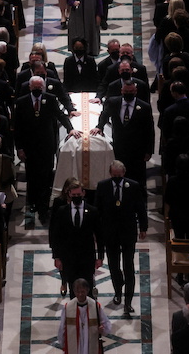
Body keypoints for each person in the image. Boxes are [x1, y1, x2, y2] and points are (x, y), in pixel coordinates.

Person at [14, 75, 81, 224]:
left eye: (40, 87)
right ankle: (33, 204)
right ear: (30, 87)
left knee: (45, 177)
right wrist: (19, 148)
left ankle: (43, 209)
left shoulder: (50, 99)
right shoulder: (22, 102)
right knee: (32, 177)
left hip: (47, 145)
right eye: (35, 87)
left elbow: (59, 115)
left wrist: (70, 129)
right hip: (29, 147)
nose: (37, 90)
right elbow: (17, 128)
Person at [94, 160, 147, 314]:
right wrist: (96, 232)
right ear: (111, 174)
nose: (117, 178)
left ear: (124, 173)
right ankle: (118, 290)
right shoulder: (103, 186)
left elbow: (140, 208)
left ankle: (128, 301)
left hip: (128, 232)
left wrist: (143, 227)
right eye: (114, 175)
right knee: (114, 265)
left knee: (128, 266)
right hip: (110, 233)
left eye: (120, 175)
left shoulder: (133, 186)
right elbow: (97, 210)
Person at [91, 80, 155, 191]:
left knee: (137, 180)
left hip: (137, 151)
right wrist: (99, 127)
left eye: (131, 91)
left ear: (135, 91)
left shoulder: (144, 107)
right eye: (126, 91)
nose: (128, 93)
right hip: (119, 148)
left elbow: (149, 129)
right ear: (122, 91)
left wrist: (149, 150)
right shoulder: (113, 102)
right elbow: (105, 114)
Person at [50, 181, 104, 297]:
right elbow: (56, 236)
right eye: (73, 195)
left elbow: (99, 235)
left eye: (78, 195)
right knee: (73, 287)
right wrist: (57, 257)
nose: (76, 197)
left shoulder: (92, 211)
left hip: (87, 256)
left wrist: (100, 257)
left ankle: (89, 312)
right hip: (69, 257)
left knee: (88, 285)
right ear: (69, 194)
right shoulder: (62, 211)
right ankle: (74, 312)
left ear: (83, 193)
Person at [58, 278, 111, 354]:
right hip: (74, 345)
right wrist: (62, 343)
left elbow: (106, 324)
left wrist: (103, 329)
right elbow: (62, 328)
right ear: (74, 291)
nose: (80, 294)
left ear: (87, 290)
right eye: (77, 292)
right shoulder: (68, 307)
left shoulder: (95, 306)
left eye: (82, 291)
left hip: (91, 344)